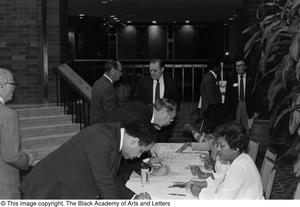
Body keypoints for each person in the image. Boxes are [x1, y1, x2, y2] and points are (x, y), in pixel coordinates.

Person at [20, 120, 157, 199]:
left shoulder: (114, 139)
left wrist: (133, 198)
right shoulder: (102, 137)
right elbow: (104, 182)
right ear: (134, 141)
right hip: (49, 189)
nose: (139, 157)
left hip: (66, 189)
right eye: (141, 151)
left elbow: (109, 178)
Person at [92, 98, 177, 180]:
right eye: (171, 119)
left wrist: (147, 160)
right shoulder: (139, 118)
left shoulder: (142, 109)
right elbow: (132, 150)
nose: (170, 123)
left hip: (101, 140)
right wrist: (152, 171)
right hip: (95, 143)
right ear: (163, 113)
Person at [186, 121, 263, 199]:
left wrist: (200, 193)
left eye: (222, 146)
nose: (218, 149)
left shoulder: (240, 166)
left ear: (236, 148)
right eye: (218, 145)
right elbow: (223, 181)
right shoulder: (240, 159)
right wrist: (204, 183)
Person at [0, 68, 34, 198]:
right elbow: (11, 156)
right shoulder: (8, 115)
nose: (14, 88)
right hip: (4, 187)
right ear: (2, 85)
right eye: (12, 84)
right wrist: (27, 159)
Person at [225, 58, 259, 132]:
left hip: (247, 106)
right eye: (236, 66)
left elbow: (256, 96)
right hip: (235, 106)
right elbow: (227, 96)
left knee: (247, 128)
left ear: (245, 67)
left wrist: (256, 110)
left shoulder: (251, 79)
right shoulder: (231, 79)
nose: (238, 67)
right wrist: (227, 111)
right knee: (235, 129)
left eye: (240, 65)